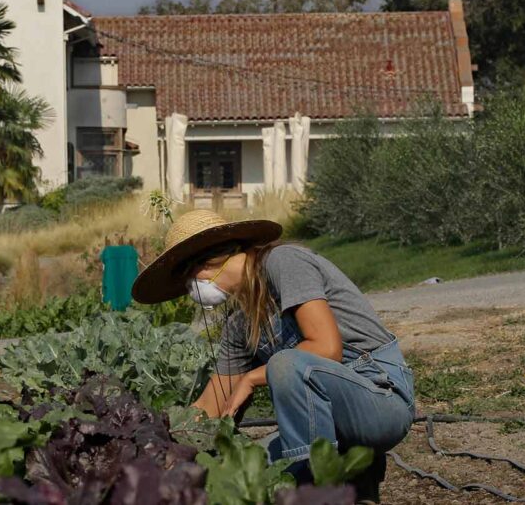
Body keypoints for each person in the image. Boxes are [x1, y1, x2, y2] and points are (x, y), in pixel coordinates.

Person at [131, 209, 414, 502]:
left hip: (381, 400)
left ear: (209, 260)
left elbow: (327, 348)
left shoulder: (284, 262)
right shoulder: (239, 326)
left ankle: (319, 494)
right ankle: (352, 478)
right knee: (242, 471)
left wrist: (252, 378)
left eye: (189, 276)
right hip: (325, 424)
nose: (192, 287)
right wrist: (158, 443)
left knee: (286, 364)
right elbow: (210, 407)